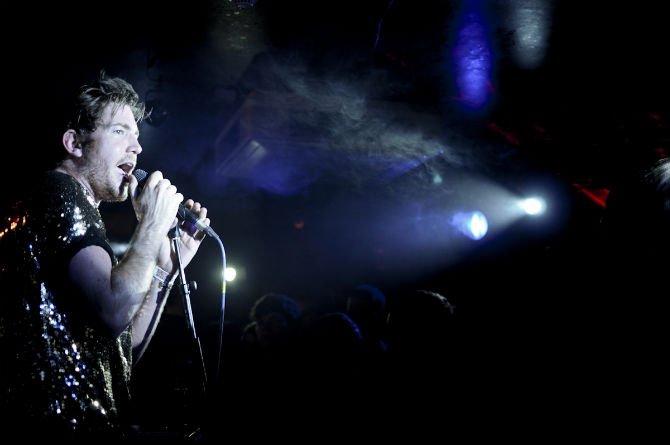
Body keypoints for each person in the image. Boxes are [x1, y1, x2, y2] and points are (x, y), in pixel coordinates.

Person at [0, 72, 211, 439]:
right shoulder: (60, 191)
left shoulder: (77, 205)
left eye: (137, 136)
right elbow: (113, 311)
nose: (136, 147)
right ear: (74, 143)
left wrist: (165, 267)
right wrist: (152, 225)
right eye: (119, 131)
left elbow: (121, 347)